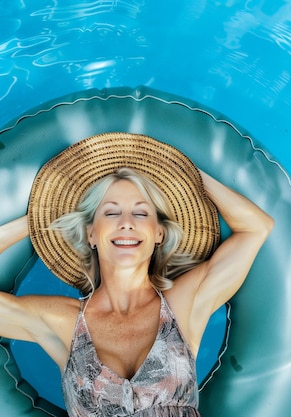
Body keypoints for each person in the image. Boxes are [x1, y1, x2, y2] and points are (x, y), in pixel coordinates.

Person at [0, 133, 274, 417]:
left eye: (141, 214)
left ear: (159, 233)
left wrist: (185, 170)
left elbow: (256, 227)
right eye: (111, 213)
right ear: (91, 234)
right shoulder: (63, 321)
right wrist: (38, 220)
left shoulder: (183, 305)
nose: (127, 223)